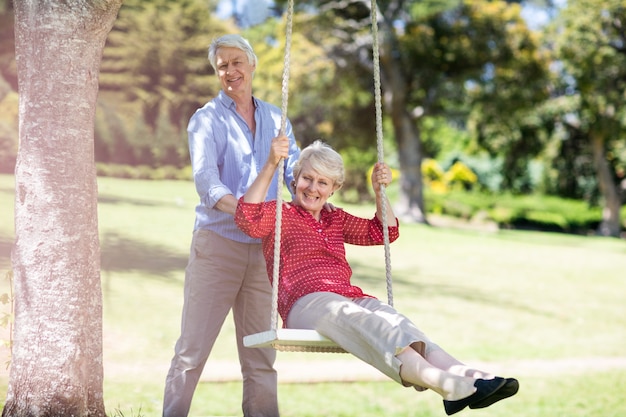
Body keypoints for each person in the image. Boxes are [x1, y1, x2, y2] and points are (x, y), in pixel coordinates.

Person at [235, 139, 519, 416]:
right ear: (295, 180)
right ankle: (446, 385)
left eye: (323, 182)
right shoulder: (279, 214)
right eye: (307, 178)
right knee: (371, 324)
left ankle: (470, 377)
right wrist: (272, 163)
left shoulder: (336, 218)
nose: (313, 188)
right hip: (306, 303)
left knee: (399, 323)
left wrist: (379, 191)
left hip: (349, 297)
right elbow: (247, 218)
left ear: (334, 189)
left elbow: (384, 232)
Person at [163, 34, 300, 417]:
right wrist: (246, 212)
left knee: (260, 359)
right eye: (222, 65)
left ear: (252, 65)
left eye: (237, 62)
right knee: (191, 352)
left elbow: (299, 174)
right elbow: (208, 184)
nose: (230, 70)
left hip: (263, 255)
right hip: (217, 247)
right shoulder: (206, 119)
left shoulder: (277, 118)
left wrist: (328, 182)